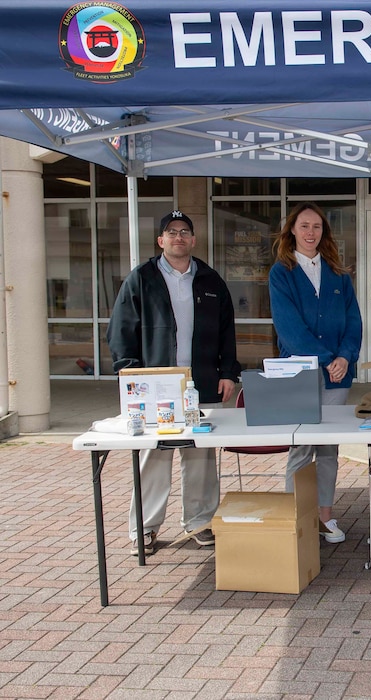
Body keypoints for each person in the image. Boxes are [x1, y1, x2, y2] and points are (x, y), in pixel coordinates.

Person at [108, 210, 240, 555]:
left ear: (193, 240)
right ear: (160, 240)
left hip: (202, 383)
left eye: (184, 231)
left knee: (200, 456)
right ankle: (145, 528)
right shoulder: (141, 279)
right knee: (153, 456)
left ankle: (200, 521)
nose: (178, 237)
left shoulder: (210, 280)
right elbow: (121, 330)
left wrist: (228, 373)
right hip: (156, 385)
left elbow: (227, 331)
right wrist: (129, 374)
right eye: (171, 231)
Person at [269, 203, 363, 544]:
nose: (311, 232)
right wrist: (327, 358)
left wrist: (345, 357)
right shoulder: (282, 272)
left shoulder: (338, 274)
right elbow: (289, 328)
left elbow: (353, 321)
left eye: (317, 227)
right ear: (292, 230)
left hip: (338, 374)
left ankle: (325, 517)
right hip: (299, 374)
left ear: (324, 232)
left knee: (327, 449)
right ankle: (296, 517)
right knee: (300, 447)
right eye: (305, 226)